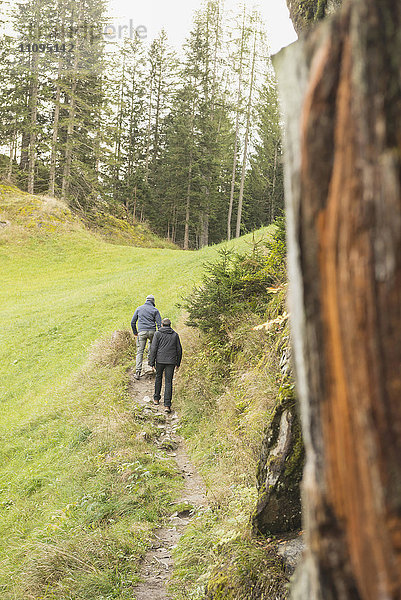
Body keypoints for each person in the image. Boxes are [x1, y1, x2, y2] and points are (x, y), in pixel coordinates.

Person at [148, 318, 182, 414]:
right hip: (171, 362)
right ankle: (167, 405)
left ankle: (156, 399)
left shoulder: (158, 334)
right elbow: (179, 350)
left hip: (160, 360)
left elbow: (153, 348)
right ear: (170, 325)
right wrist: (178, 363)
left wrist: (151, 362)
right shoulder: (175, 335)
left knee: (158, 378)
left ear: (162, 325)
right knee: (168, 382)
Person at [131, 294, 162, 380]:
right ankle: (151, 365)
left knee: (140, 352)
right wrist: (159, 335)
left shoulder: (139, 309)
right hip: (152, 332)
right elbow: (159, 324)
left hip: (141, 332)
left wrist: (135, 332)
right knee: (153, 349)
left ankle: (138, 372)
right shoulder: (155, 310)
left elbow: (133, 322)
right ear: (153, 302)